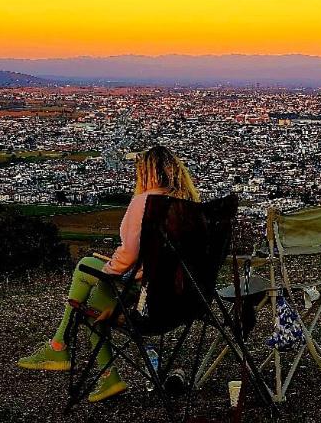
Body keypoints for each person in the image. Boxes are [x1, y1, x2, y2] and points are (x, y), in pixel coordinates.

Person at [17, 145, 201, 402]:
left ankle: (62, 348)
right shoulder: (191, 206)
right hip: (183, 300)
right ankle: (95, 371)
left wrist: (107, 270)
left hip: (148, 301)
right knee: (96, 300)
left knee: (85, 269)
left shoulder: (146, 202)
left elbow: (129, 255)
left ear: (146, 172)